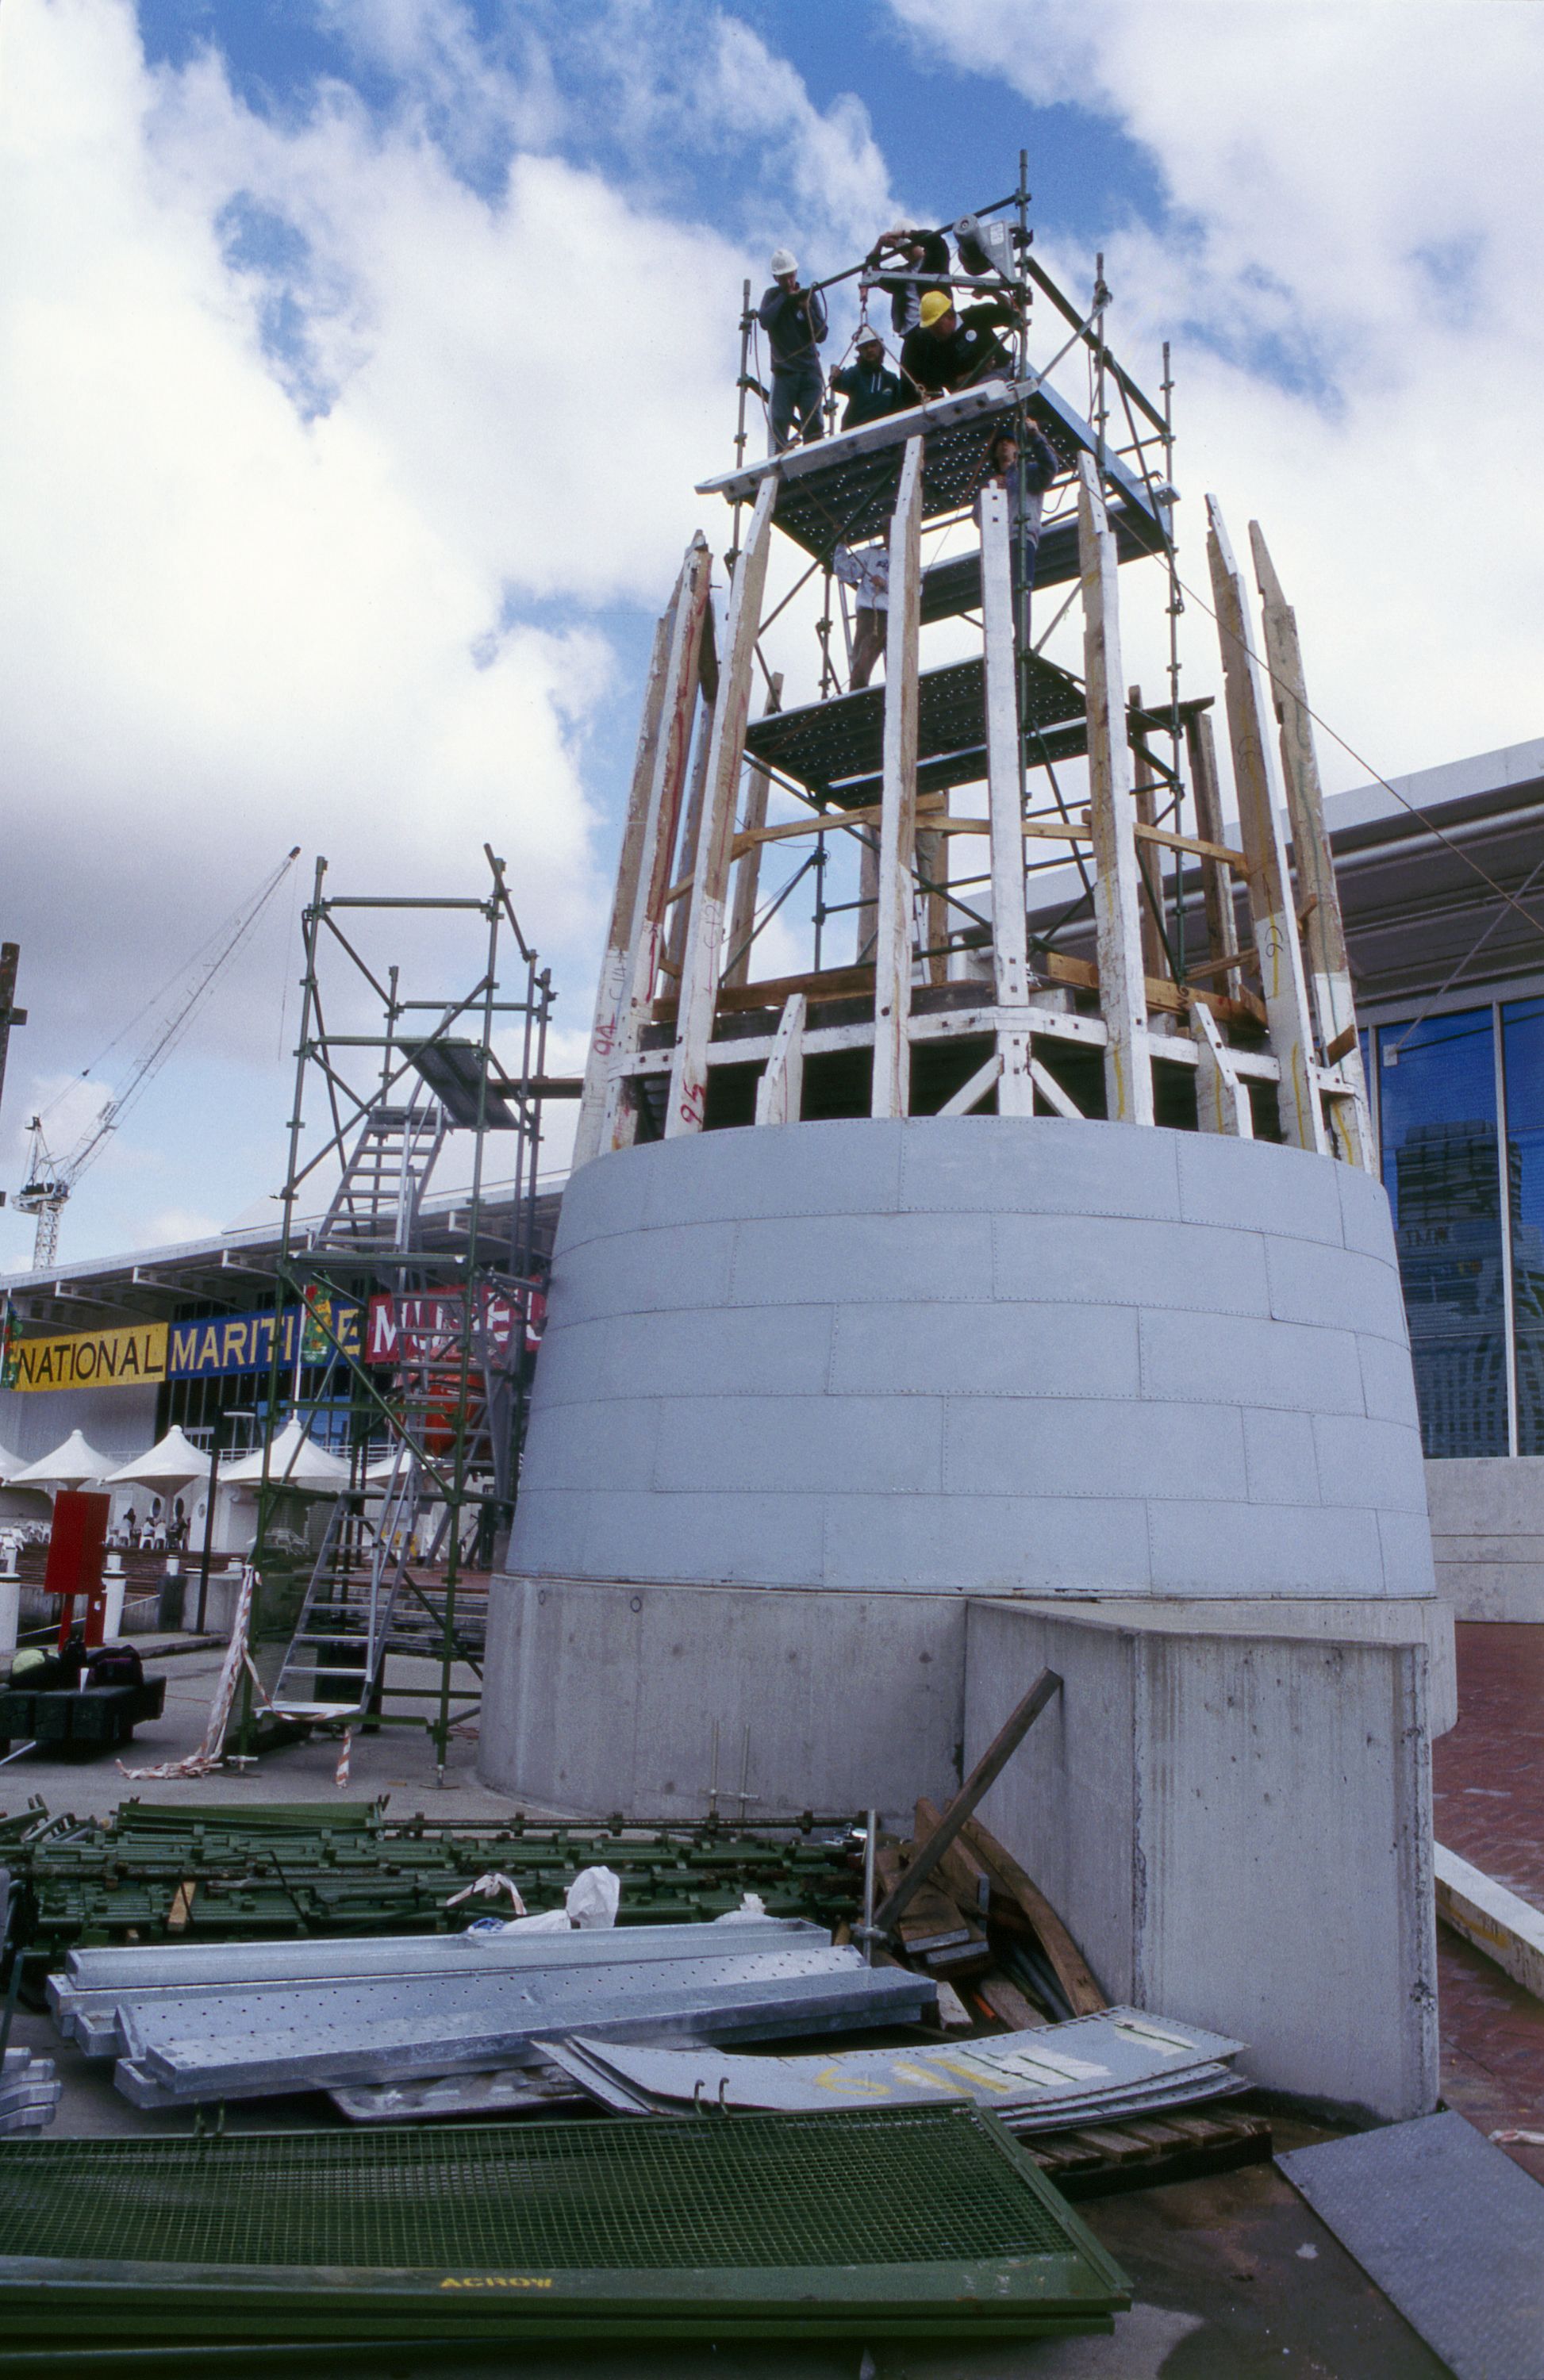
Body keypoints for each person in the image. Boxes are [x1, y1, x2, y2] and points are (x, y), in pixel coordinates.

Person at [972, 420, 1062, 612]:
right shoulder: (992, 483)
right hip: (998, 542)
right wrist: (988, 491)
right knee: (1000, 596)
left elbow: (1050, 467)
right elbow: (978, 517)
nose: (1004, 444)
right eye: (1000, 442)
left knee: (1021, 591)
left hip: (1021, 535)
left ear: (1017, 449)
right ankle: (1012, 637)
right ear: (995, 452)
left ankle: (1021, 638)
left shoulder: (1027, 472)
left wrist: (1036, 436)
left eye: (1009, 441)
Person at [758, 248, 827, 451]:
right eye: (784, 278)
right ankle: (779, 472)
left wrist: (806, 309)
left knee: (813, 423)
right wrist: (785, 299)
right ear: (776, 278)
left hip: (809, 371)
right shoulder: (772, 296)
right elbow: (765, 320)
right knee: (779, 422)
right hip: (785, 373)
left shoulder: (808, 296)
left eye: (791, 277)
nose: (789, 282)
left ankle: (815, 467)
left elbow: (822, 334)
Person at [901, 289, 1021, 401]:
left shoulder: (974, 316)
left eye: (937, 327)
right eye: (930, 328)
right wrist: (980, 370)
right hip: (978, 390)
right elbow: (953, 385)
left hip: (1006, 369)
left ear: (949, 316)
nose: (934, 333)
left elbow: (1010, 313)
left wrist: (993, 292)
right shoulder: (934, 349)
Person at [865, 224, 951, 337]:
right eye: (901, 249)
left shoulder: (935, 261)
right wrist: (880, 244)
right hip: (911, 333)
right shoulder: (900, 275)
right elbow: (870, 272)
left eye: (909, 247)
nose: (907, 252)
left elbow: (935, 240)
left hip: (937, 323)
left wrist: (903, 234)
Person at [832, 539, 889, 689]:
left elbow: (917, 589)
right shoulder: (872, 555)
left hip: (897, 615)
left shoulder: (908, 559)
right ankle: (857, 693)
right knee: (863, 653)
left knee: (899, 660)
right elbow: (845, 572)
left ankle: (900, 695)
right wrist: (841, 546)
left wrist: (886, 584)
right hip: (870, 613)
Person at [829, 328, 906, 432]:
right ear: (860, 351)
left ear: (880, 347)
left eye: (873, 345)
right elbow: (838, 385)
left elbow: (900, 407)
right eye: (865, 347)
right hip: (856, 432)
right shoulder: (855, 373)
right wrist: (835, 377)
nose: (869, 350)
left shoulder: (891, 379)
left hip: (885, 433)